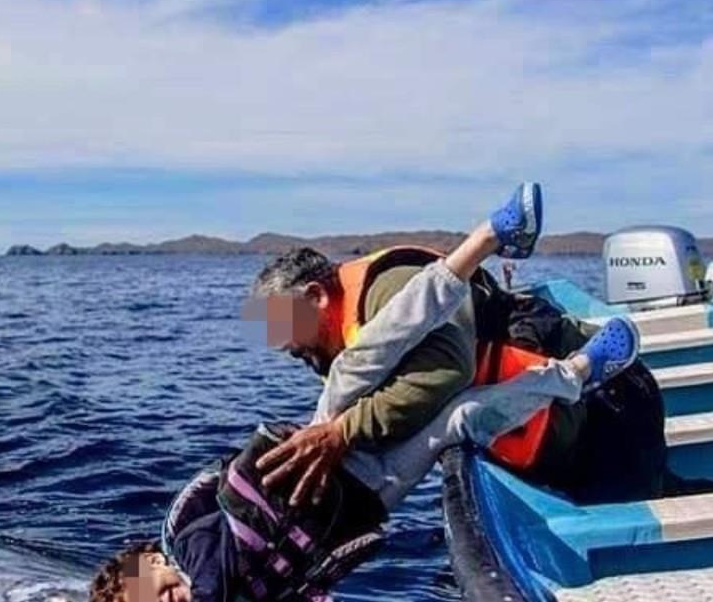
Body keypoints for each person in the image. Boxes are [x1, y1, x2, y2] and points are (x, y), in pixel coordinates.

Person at [89, 184, 641, 602]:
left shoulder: (190, 549)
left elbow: (209, 593)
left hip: (327, 451)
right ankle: (580, 372)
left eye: (163, 597)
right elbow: (314, 568)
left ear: (154, 561)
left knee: (361, 360)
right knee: (464, 423)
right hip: (372, 496)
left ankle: (491, 234)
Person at [247, 186, 671, 509]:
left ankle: (491, 238)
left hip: (607, 407)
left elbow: (448, 370)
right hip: (544, 430)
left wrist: (342, 432)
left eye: (283, 323)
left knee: (632, 529)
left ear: (317, 297)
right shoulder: (337, 348)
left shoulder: (386, 294)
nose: (282, 343)